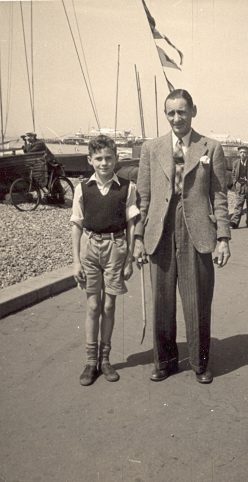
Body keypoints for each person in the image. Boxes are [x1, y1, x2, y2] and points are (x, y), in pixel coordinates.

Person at [133, 89, 231, 384]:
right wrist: (138, 236)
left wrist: (223, 237)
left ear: (193, 111)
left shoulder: (210, 148)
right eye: (171, 112)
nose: (176, 118)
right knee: (162, 301)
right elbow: (143, 197)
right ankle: (164, 361)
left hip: (197, 231)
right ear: (166, 115)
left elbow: (219, 195)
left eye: (182, 111)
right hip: (159, 230)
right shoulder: (151, 148)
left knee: (197, 301)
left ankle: (200, 363)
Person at [71, 135, 139, 386]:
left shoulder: (127, 187)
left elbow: (132, 224)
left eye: (108, 158)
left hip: (115, 247)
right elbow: (76, 225)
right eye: (98, 158)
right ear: (90, 160)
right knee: (92, 306)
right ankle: (91, 362)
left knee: (108, 306)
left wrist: (130, 258)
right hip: (90, 248)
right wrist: (75, 261)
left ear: (116, 159)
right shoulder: (82, 188)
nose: (103, 163)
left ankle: (106, 359)